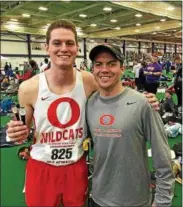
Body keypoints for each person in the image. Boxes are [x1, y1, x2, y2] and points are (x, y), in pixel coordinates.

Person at [6, 20, 159, 207]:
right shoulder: (28, 88)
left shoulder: (89, 81)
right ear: (47, 47)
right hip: (42, 167)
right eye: (57, 43)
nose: (64, 48)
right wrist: (14, 133)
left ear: (77, 48)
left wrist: (144, 98)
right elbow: (22, 131)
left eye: (69, 43)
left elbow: (114, 91)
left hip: (76, 167)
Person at [86, 43, 175, 207]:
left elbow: (162, 156)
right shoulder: (89, 103)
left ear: (122, 68)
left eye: (111, 64)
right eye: (98, 64)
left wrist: (162, 201)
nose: (104, 69)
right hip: (98, 198)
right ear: (93, 69)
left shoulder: (142, 103)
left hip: (135, 201)